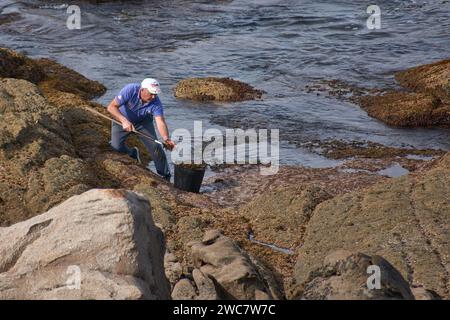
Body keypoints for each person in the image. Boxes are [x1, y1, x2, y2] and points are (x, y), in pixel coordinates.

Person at [106, 78, 176, 181]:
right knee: (116, 147)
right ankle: (132, 153)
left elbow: (160, 121)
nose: (153, 97)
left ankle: (165, 175)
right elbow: (111, 107)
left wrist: (166, 138)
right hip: (121, 120)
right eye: (151, 93)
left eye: (155, 94)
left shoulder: (156, 102)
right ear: (143, 89)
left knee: (156, 146)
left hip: (143, 123)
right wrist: (124, 121)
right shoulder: (130, 90)